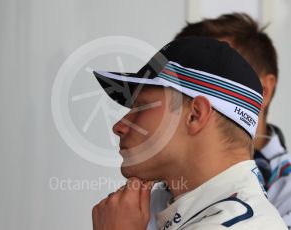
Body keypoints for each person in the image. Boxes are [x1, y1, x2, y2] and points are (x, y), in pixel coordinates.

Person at [91, 37, 288, 229]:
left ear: (195, 115)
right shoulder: (158, 209)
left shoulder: (237, 225)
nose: (118, 126)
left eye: (141, 107)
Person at [148, 13, 291, 229]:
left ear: (264, 90)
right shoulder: (157, 182)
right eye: (185, 82)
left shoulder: (286, 186)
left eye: (217, 79)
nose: (194, 99)